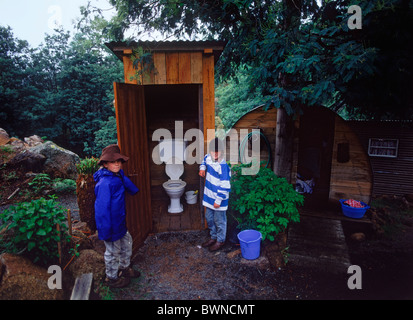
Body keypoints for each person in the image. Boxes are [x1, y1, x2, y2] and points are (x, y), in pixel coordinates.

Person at [94, 144, 141, 288]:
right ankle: (112, 278)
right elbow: (101, 209)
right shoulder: (104, 183)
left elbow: (124, 180)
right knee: (113, 252)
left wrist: (133, 190)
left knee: (127, 242)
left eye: (119, 161)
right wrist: (106, 229)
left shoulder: (117, 175)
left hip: (119, 221)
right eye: (113, 162)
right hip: (110, 225)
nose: (117, 164)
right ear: (105, 164)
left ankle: (124, 268)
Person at [199, 137, 231, 252]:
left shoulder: (223, 166)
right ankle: (213, 237)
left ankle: (220, 240)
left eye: (218, 151)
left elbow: (225, 186)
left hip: (219, 199)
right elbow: (204, 160)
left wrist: (218, 201)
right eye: (213, 151)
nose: (215, 153)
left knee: (219, 221)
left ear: (222, 151)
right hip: (209, 197)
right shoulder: (209, 157)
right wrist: (202, 168)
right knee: (209, 218)